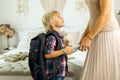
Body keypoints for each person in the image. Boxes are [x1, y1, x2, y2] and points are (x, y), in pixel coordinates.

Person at [79, 0, 120, 80]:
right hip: (95, 32)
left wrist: (89, 37)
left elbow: (106, 14)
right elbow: (94, 15)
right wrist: (85, 34)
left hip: (107, 33)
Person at [42, 10, 74, 80]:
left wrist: (66, 48)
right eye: (58, 17)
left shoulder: (58, 37)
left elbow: (58, 51)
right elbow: (47, 54)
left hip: (59, 72)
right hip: (54, 74)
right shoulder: (52, 37)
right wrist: (64, 51)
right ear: (52, 23)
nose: (62, 18)